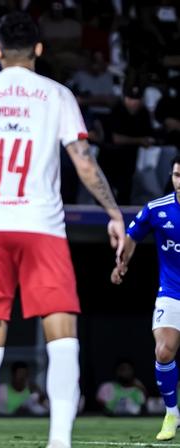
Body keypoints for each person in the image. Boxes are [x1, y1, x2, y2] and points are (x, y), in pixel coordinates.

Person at [0, 12, 125, 448]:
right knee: (62, 339)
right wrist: (113, 212)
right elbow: (82, 161)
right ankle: (59, 443)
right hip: (43, 226)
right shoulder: (57, 95)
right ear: (39, 49)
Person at [112, 156, 180, 440]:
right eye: (177, 175)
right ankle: (172, 414)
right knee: (164, 351)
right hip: (172, 292)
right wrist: (121, 262)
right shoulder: (157, 209)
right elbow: (133, 235)